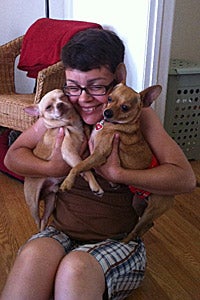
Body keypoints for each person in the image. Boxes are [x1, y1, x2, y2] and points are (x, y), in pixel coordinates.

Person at [1, 28, 196, 300]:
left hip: (117, 241)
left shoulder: (139, 117)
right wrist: (54, 168)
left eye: (96, 86)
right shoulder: (63, 113)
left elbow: (185, 179)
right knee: (33, 257)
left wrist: (119, 173)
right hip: (62, 232)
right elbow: (13, 156)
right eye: (73, 86)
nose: (84, 98)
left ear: (119, 78)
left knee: (75, 268)